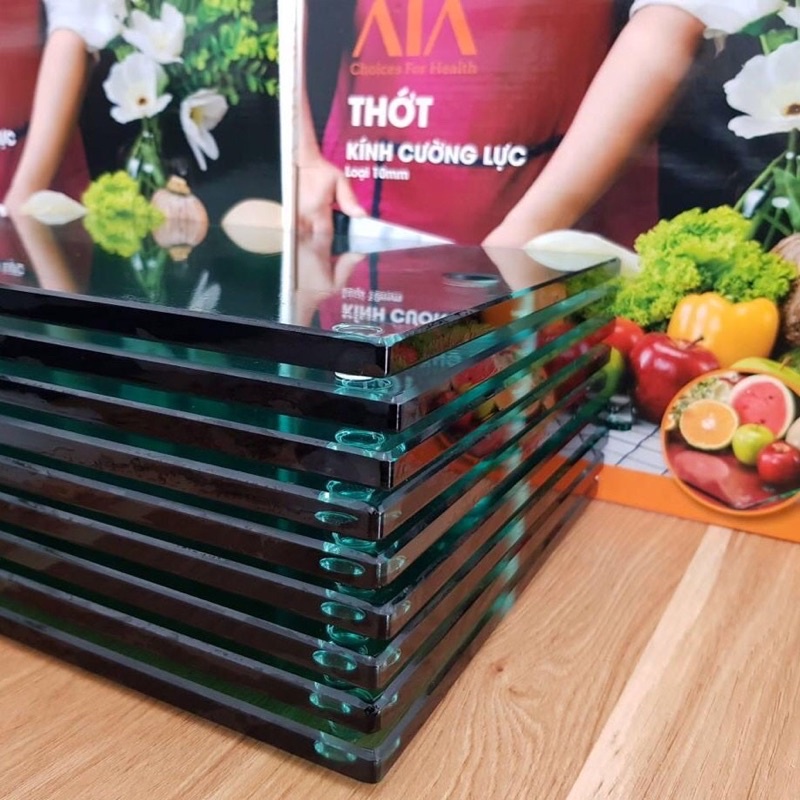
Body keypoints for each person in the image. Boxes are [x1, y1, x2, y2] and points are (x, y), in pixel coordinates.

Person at [296, 0, 751, 249]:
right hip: (362, 205)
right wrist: (298, 153)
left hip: (566, 204)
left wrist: (530, 231)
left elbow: (674, 17)